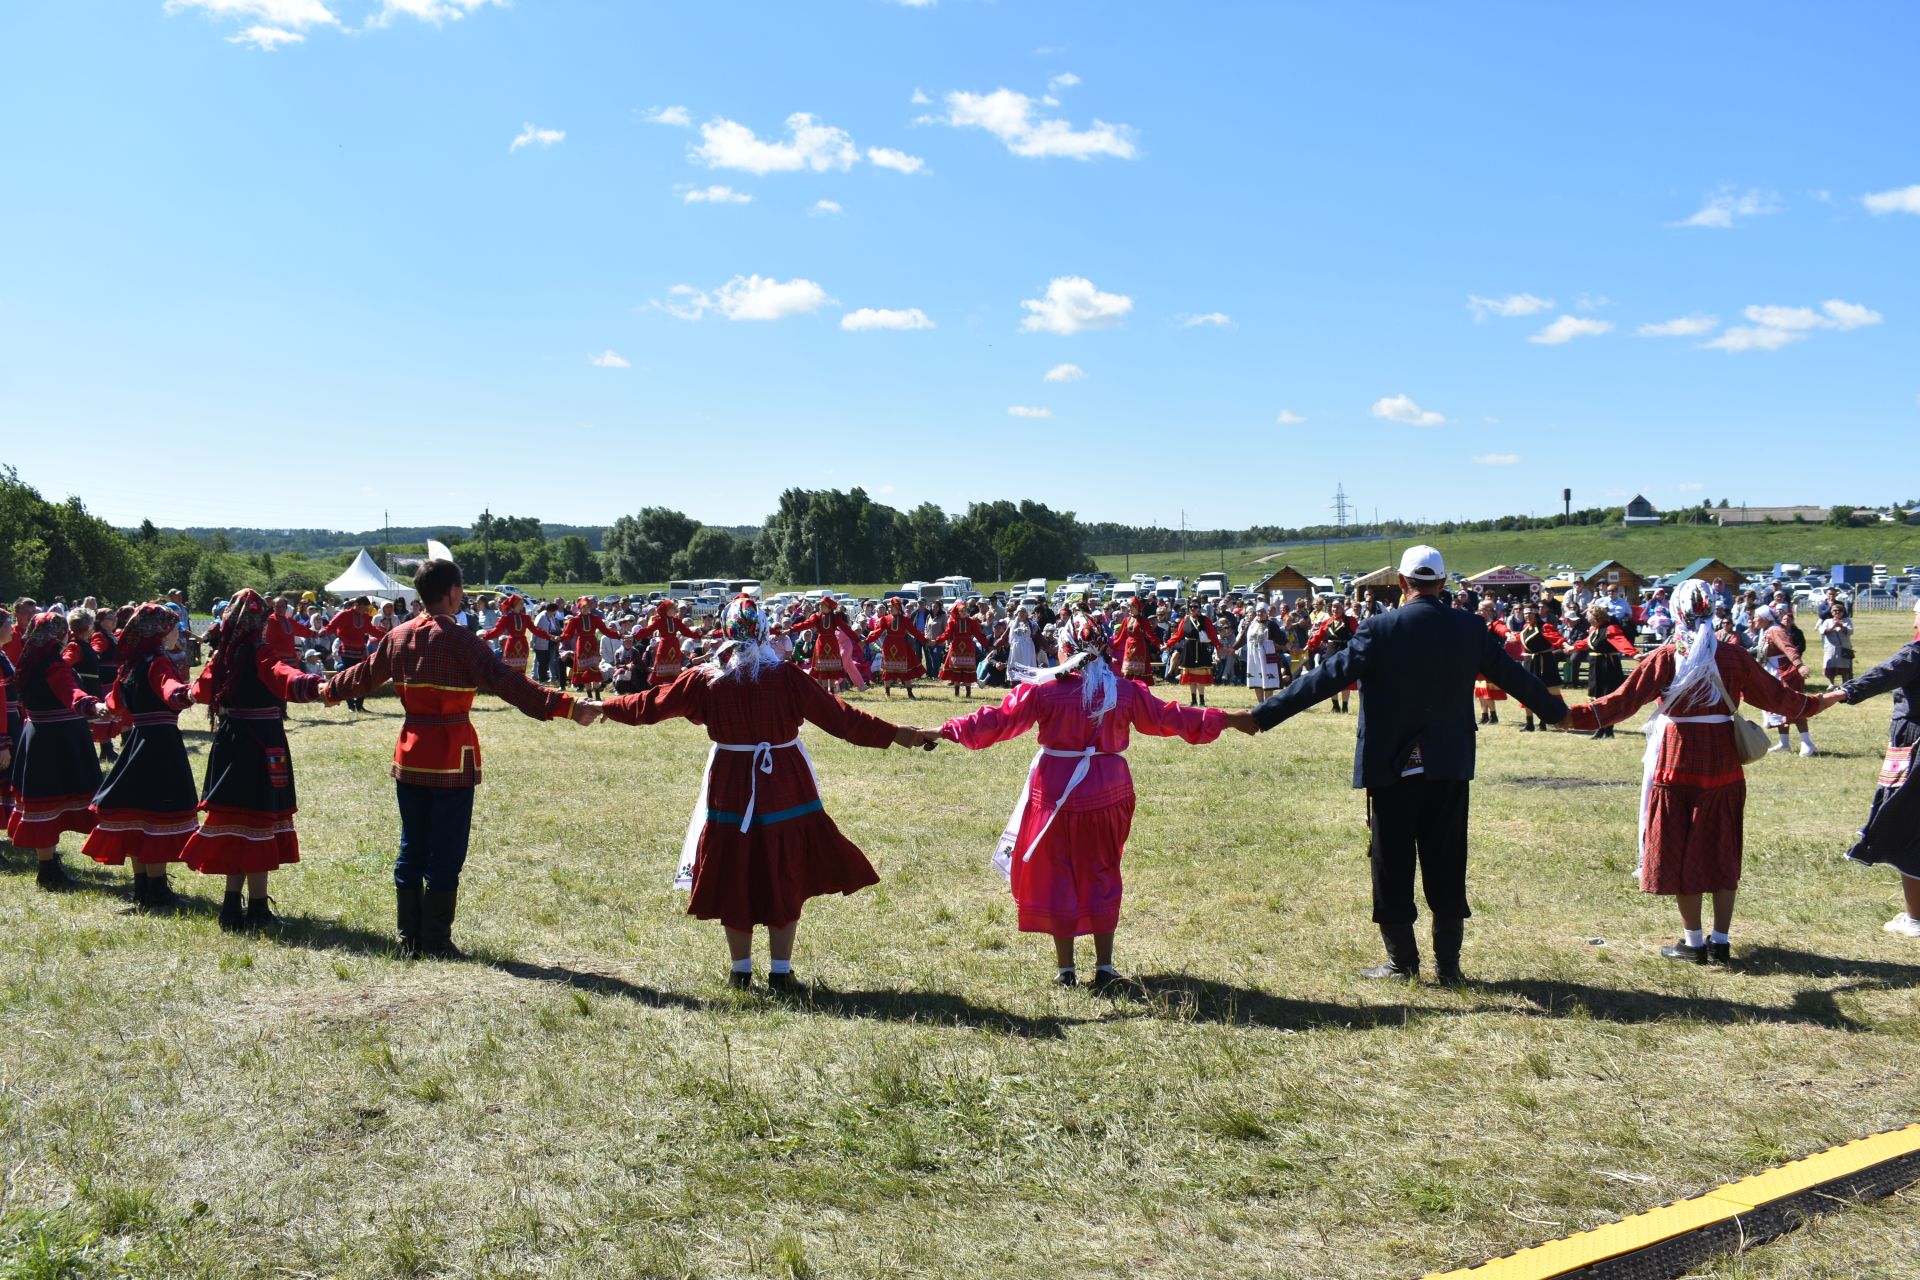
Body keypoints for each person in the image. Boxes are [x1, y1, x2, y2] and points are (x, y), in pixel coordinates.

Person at [1247, 546, 1568, 983]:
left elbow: (1325, 679)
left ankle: (1403, 963)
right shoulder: (1469, 627)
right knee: (1448, 859)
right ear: (1442, 584)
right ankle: (1449, 967)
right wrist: (1556, 713)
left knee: (1391, 862)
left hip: (1393, 766)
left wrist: (1263, 715)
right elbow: (1514, 676)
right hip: (1449, 763)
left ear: (1402, 584)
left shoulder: (1380, 628)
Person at [597, 596, 939, 992]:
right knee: (785, 866)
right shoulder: (786, 678)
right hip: (784, 781)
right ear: (764, 632)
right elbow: (843, 720)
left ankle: (741, 970)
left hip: (731, 782)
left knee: (733, 867)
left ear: (725, 634)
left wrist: (603, 705)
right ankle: (780, 971)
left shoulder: (705, 680)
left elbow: (649, 704)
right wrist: (900, 734)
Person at [940, 628, 1243, 989]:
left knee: (1058, 873)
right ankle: (1105, 966)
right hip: (1108, 788)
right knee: (1102, 870)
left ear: (1065, 651)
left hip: (1056, 789)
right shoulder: (1123, 691)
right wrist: (1227, 719)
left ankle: (1066, 969)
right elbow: (1170, 717)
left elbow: (996, 721)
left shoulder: (1044, 691)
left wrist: (943, 730)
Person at [324, 560, 594, 957]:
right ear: (451, 592)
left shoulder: (396, 636)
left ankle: (408, 935)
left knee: (412, 845)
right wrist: (566, 707)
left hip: (410, 752)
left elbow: (364, 674)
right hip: (451, 753)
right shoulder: (461, 640)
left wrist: (326, 690)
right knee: (446, 850)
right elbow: (509, 683)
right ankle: (435, 940)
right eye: (461, 588)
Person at [1560, 579, 1827, 964]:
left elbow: (1620, 704)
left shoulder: (1667, 657)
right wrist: (1824, 701)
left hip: (1674, 765)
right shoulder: (1734, 658)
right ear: (1713, 609)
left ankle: (1693, 941)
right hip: (1723, 765)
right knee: (1721, 849)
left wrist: (1570, 717)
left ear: (1676, 611)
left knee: (1682, 851)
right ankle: (1721, 940)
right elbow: (1781, 700)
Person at [182, 591, 331, 930]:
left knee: (236, 823)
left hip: (230, 740)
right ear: (260, 622)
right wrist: (315, 686)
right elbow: (282, 675)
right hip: (262, 743)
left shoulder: (223, 655)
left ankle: (231, 907)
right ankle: (259, 909)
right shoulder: (258, 651)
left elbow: (203, 692)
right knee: (258, 822)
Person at [81, 604, 197, 908]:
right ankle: (157, 890)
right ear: (158, 631)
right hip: (161, 744)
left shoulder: (131, 664)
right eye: (173, 628)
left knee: (136, 810)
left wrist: (101, 707)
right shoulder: (158, 661)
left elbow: (116, 703)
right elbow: (168, 688)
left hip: (137, 742)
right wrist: (186, 694)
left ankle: (143, 886)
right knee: (156, 811)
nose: (177, 634)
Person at [1830, 596, 1920, 937]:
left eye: (1916, 616)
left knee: (1904, 821)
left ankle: (1914, 918)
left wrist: (1844, 693)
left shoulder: (1916, 652)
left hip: (1914, 743)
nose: (1914, 623)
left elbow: (1886, 673)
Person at [7, 612, 112, 887]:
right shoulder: (53, 665)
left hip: (38, 736)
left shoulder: (28, 662)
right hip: (58, 740)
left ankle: (48, 867)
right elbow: (70, 692)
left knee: (44, 804)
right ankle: (49, 872)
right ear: (58, 634)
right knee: (49, 802)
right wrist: (94, 706)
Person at [1753, 605, 1816, 756]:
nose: (1753, 619)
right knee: (1779, 708)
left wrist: (1799, 665)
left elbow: (1789, 648)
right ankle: (1784, 743)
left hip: (1786, 675)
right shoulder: (1766, 631)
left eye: (1756, 616)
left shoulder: (1776, 631)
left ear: (1765, 618)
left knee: (1795, 706)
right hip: (1773, 675)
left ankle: (1807, 743)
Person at [1573, 601, 1637, 739]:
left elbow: (1621, 641)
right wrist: (1573, 647)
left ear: (1596, 616)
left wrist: (1634, 654)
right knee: (1596, 697)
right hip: (1595, 666)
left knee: (1606, 697)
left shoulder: (1610, 628)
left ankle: (1608, 729)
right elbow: (1586, 642)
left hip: (1608, 666)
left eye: (1588, 615)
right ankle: (1601, 727)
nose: (1586, 618)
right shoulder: (1593, 630)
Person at [319, 597, 382, 712]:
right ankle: (350, 705)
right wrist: (325, 631)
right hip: (347, 652)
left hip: (361, 652)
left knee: (363, 678)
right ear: (356, 605)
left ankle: (359, 705)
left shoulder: (365, 618)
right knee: (348, 679)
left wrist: (387, 636)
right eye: (364, 607)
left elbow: (373, 630)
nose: (365, 610)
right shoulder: (343, 615)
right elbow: (332, 626)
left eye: (367, 608)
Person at [1515, 604, 1566, 732]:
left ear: (1536, 614)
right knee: (1527, 692)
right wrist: (1512, 638)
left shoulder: (1544, 627)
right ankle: (1529, 723)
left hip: (1544, 663)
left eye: (1530, 614)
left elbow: (1557, 638)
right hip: (1529, 662)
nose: (1527, 616)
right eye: (1525, 614)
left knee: (1545, 692)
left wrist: (1566, 645)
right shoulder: (1526, 628)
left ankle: (1543, 722)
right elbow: (1521, 638)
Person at [558, 597, 620, 697]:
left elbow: (606, 631)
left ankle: (597, 695)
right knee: (584, 670)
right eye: (584, 607)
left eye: (588, 607)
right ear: (580, 608)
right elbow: (568, 634)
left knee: (594, 669)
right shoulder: (574, 620)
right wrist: (559, 638)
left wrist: (618, 635)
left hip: (592, 644)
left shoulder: (595, 618)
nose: (586, 609)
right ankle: (589, 695)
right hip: (581, 645)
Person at [632, 599, 702, 686]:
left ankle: (674, 683)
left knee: (675, 663)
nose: (675, 610)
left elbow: (685, 632)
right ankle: (658, 684)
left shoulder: (676, 620)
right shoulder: (659, 620)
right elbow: (648, 630)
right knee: (661, 662)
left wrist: (697, 635)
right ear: (667, 610)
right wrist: (636, 635)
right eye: (673, 608)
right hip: (664, 644)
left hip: (674, 645)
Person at [1164, 601, 1222, 707]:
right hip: (1189, 649)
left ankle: (1202, 700)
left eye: (1195, 607)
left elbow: (1213, 635)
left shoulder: (1205, 620)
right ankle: (1193, 699)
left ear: (1199, 608)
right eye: (1190, 607)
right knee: (1191, 677)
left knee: (1200, 676)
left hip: (1201, 649)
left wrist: (1218, 646)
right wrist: (1167, 644)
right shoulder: (1185, 620)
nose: (1192, 609)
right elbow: (1177, 635)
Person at [1305, 597, 1358, 713]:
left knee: (1345, 679)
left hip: (1345, 652)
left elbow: (1359, 635)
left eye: (1338, 607)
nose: (1336, 609)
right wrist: (1307, 647)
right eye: (1334, 607)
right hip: (1330, 653)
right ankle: (1335, 706)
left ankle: (1345, 706)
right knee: (1331, 679)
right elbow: (1317, 636)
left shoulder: (1350, 621)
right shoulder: (1327, 622)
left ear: (1343, 608)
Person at [866, 597, 926, 698]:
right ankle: (887, 692)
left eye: (892, 606)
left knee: (904, 669)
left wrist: (925, 640)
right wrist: (867, 641)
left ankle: (910, 693)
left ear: (898, 607)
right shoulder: (885, 619)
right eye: (889, 606)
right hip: (889, 646)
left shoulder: (906, 619)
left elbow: (914, 632)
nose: (890, 608)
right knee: (888, 670)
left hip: (901, 646)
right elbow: (877, 632)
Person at [934, 601, 990, 699]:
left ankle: (968, 693)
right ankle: (957, 693)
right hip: (956, 648)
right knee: (957, 671)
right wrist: (937, 640)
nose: (963, 612)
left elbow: (979, 635)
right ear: (958, 612)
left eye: (965, 610)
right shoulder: (953, 622)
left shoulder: (972, 622)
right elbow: (946, 634)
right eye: (961, 611)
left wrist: (987, 645)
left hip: (968, 648)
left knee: (968, 670)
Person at [1110, 596, 1161, 686]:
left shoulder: (1143, 621)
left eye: (1131, 606)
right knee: (1128, 671)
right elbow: (1120, 636)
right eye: (1129, 606)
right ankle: (1128, 689)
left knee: (1138, 672)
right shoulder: (1126, 620)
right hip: (1129, 646)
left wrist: (1159, 645)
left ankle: (1139, 689)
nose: (1129, 608)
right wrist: (1112, 647)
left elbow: (1150, 635)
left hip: (1139, 647)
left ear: (1137, 608)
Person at [481, 593, 535, 677]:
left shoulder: (526, 618)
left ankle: (519, 689)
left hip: (523, 646)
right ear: (515, 604)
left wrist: (549, 636)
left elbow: (536, 630)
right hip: (511, 646)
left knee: (521, 673)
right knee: (509, 672)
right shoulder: (506, 618)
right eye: (521, 603)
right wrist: (485, 637)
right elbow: (497, 631)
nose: (523, 605)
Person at [1239, 604, 1286, 696]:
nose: (1260, 613)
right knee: (1257, 680)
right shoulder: (1251, 624)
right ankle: (1261, 704)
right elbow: (1243, 639)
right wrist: (1233, 648)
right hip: (1254, 656)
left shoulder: (1271, 625)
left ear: (1266, 613)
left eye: (1262, 611)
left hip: (1267, 656)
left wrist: (1292, 648)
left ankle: (1267, 705)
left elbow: (1281, 639)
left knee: (1269, 682)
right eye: (1258, 611)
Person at [1820, 600, 1854, 690]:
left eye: (1840, 610)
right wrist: (1833, 627)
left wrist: (1842, 626)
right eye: (1835, 610)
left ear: (1843, 612)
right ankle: (1831, 683)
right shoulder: (1827, 621)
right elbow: (1823, 631)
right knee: (1830, 665)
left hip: (1844, 647)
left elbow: (1850, 631)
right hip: (1831, 648)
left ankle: (1844, 683)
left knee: (1844, 667)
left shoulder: (1847, 621)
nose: (1837, 612)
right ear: (1832, 612)